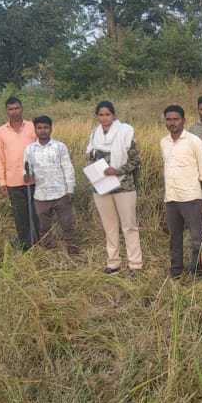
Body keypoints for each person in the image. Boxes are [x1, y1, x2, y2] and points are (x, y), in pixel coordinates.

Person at [85, 101, 143, 274]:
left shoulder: (125, 132)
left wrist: (117, 171)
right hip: (101, 186)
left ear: (114, 115)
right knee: (109, 227)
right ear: (97, 116)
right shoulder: (94, 135)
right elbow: (90, 158)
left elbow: (135, 160)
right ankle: (113, 263)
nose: (104, 118)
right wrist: (93, 171)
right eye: (101, 115)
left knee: (129, 226)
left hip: (123, 185)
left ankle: (135, 264)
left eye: (107, 114)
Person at [159, 105, 202, 278]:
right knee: (175, 237)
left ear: (183, 120)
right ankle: (176, 270)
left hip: (191, 198)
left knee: (196, 238)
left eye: (176, 119)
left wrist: (199, 197)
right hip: (171, 198)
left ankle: (197, 271)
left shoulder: (194, 141)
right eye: (168, 119)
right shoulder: (164, 142)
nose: (172, 123)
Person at [22, 116, 79, 256]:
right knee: (43, 225)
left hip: (61, 192)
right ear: (35, 130)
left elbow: (68, 168)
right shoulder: (30, 149)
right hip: (41, 195)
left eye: (46, 127)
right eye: (39, 128)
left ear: (51, 129)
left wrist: (70, 189)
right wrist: (27, 176)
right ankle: (49, 250)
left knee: (67, 222)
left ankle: (72, 247)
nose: (43, 131)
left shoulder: (59, 147)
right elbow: (27, 170)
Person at [0, 96, 40, 250]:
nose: (14, 112)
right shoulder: (1, 132)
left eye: (17, 108)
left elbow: (42, 150)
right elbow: (0, 158)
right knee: (20, 216)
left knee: (36, 213)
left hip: (34, 180)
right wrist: (2, 181)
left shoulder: (32, 127)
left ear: (22, 108)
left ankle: (39, 243)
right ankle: (25, 245)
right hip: (13, 181)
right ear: (7, 111)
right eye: (11, 109)